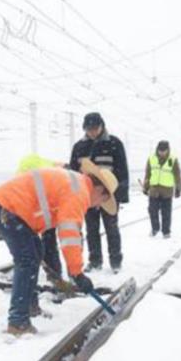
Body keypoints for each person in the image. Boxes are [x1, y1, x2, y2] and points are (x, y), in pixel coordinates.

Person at [0, 159, 118, 335]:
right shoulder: (79, 192)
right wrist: (77, 273)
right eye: (101, 201)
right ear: (100, 190)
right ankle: (18, 322)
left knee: (35, 253)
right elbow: (69, 234)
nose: (96, 206)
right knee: (26, 260)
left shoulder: (78, 184)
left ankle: (29, 307)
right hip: (9, 207)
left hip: (13, 208)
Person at [69, 112, 129, 273]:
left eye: (95, 128)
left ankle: (116, 261)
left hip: (108, 194)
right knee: (91, 229)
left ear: (102, 126)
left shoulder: (114, 143)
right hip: (87, 196)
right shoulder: (79, 147)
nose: (92, 132)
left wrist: (121, 195)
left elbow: (122, 170)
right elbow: (73, 173)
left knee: (112, 228)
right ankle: (95, 261)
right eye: (89, 129)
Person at [16, 153, 66, 279]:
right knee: (47, 239)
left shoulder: (44, 169)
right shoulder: (53, 173)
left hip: (39, 202)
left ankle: (50, 271)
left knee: (42, 239)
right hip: (39, 202)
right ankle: (53, 272)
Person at [143, 140, 181, 238]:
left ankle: (166, 231)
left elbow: (177, 175)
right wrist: (145, 186)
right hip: (154, 190)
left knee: (166, 213)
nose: (162, 153)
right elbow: (148, 174)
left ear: (168, 150)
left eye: (164, 151)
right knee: (152, 210)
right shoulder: (151, 159)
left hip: (167, 191)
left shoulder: (172, 160)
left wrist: (178, 188)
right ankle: (155, 228)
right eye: (160, 151)